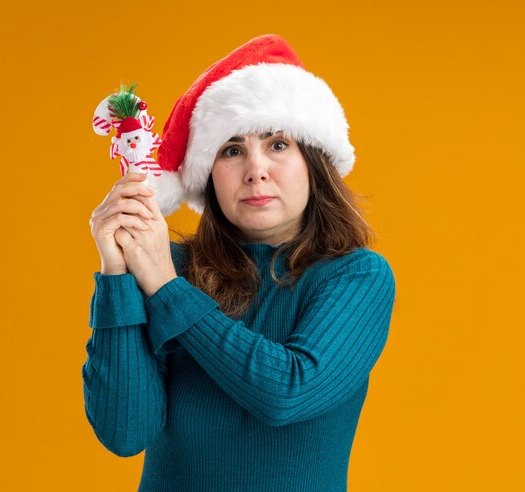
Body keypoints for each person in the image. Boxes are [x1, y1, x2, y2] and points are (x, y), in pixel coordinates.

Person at [82, 34, 396, 492]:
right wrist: (117, 274)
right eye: (231, 150)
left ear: (314, 162)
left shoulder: (356, 277)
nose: (255, 170)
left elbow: (288, 393)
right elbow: (125, 432)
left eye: (278, 145)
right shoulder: (167, 266)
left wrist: (166, 288)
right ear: (208, 175)